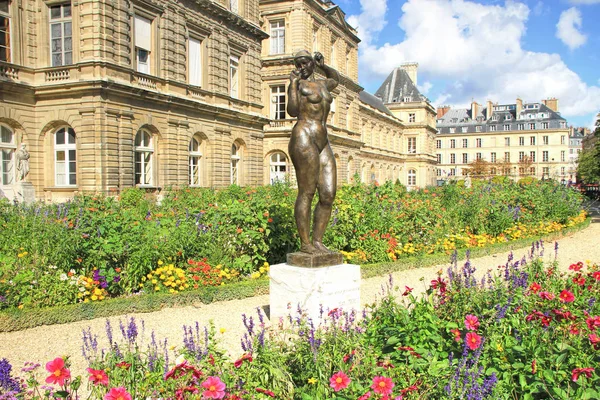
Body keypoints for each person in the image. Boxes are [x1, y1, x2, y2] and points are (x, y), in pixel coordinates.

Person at [287, 50, 340, 254]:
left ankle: (318, 241)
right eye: (298, 64)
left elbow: (335, 79)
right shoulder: (298, 85)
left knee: (328, 193)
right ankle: (305, 243)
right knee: (307, 192)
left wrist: (323, 66)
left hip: (322, 140)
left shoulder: (323, 85)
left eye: (305, 63)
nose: (302, 67)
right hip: (304, 136)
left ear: (311, 63)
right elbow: (292, 110)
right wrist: (292, 84)